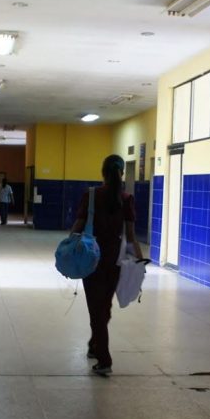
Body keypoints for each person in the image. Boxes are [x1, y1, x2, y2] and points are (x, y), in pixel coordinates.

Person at [70, 154, 143, 376]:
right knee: (105, 307)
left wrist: (69, 244)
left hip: (90, 260)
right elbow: (131, 237)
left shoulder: (91, 196)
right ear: (121, 173)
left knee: (96, 310)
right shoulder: (127, 199)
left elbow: (78, 226)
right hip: (115, 262)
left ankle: (104, 359)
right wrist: (140, 263)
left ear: (103, 172)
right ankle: (95, 343)